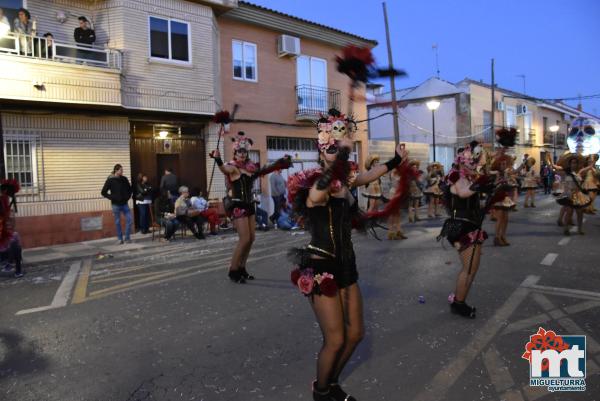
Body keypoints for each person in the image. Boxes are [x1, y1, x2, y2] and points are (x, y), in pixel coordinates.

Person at [287, 108, 408, 401]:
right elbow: (316, 196)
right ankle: (321, 391)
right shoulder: (314, 180)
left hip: (347, 266)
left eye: (338, 144)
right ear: (322, 147)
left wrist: (395, 160)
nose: (334, 148)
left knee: (356, 335)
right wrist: (337, 163)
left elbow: (368, 175)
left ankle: (331, 382)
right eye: (329, 144)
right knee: (336, 338)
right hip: (322, 266)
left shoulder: (347, 181)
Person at [210, 131, 292, 283]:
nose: (242, 153)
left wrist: (280, 163)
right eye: (239, 151)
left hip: (249, 205)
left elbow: (265, 170)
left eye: (244, 151)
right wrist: (218, 159)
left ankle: (242, 268)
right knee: (244, 239)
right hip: (238, 206)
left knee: (252, 238)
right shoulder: (232, 167)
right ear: (235, 152)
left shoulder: (251, 168)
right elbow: (223, 170)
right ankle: (233, 270)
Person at [438, 142, 492, 318]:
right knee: (468, 269)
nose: (472, 163)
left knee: (472, 268)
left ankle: (459, 299)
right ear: (461, 160)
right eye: (469, 159)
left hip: (469, 225)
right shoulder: (455, 175)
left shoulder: (468, 176)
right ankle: (458, 304)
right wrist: (481, 184)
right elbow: (462, 193)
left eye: (473, 160)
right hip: (462, 227)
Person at [548, 153, 591, 235]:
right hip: (568, 195)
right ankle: (566, 229)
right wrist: (549, 160)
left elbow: (589, 167)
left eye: (575, 163)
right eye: (572, 163)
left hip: (579, 195)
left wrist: (591, 160)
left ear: (577, 164)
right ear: (570, 164)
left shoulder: (580, 172)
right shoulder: (565, 173)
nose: (574, 164)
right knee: (569, 212)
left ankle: (580, 229)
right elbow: (553, 167)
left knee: (580, 213)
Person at [101, 164, 133, 244]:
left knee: (129, 220)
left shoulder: (124, 179)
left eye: (122, 170)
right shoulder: (110, 180)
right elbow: (103, 192)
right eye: (121, 170)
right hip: (115, 205)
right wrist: (112, 197)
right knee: (117, 222)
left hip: (124, 204)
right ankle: (120, 239)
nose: (122, 171)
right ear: (116, 170)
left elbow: (130, 189)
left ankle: (127, 238)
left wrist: (127, 197)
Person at [490, 152, 516, 246]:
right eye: (502, 164)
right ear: (498, 164)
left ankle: (503, 236)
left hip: (505, 197)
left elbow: (515, 173)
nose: (504, 165)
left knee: (506, 219)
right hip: (498, 197)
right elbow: (494, 184)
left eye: (505, 164)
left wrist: (510, 182)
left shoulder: (506, 172)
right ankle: (497, 237)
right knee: (500, 219)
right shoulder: (496, 173)